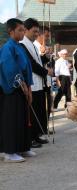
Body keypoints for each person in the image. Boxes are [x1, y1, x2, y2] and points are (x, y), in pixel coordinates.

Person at [0, 18, 35, 162]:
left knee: (22, 118)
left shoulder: (19, 46)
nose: (22, 32)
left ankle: (22, 147)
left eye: (23, 29)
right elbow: (9, 68)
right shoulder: (7, 47)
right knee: (11, 120)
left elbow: (27, 67)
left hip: (22, 87)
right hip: (11, 89)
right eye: (20, 30)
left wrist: (29, 86)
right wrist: (22, 85)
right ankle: (8, 151)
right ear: (11, 31)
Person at [20, 18, 53, 148]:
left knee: (39, 110)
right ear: (26, 30)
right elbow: (31, 64)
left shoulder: (33, 44)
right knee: (31, 113)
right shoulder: (23, 44)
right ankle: (31, 137)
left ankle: (36, 135)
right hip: (31, 83)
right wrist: (46, 72)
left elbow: (38, 61)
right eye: (34, 32)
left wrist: (46, 57)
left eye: (37, 32)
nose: (36, 34)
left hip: (38, 83)